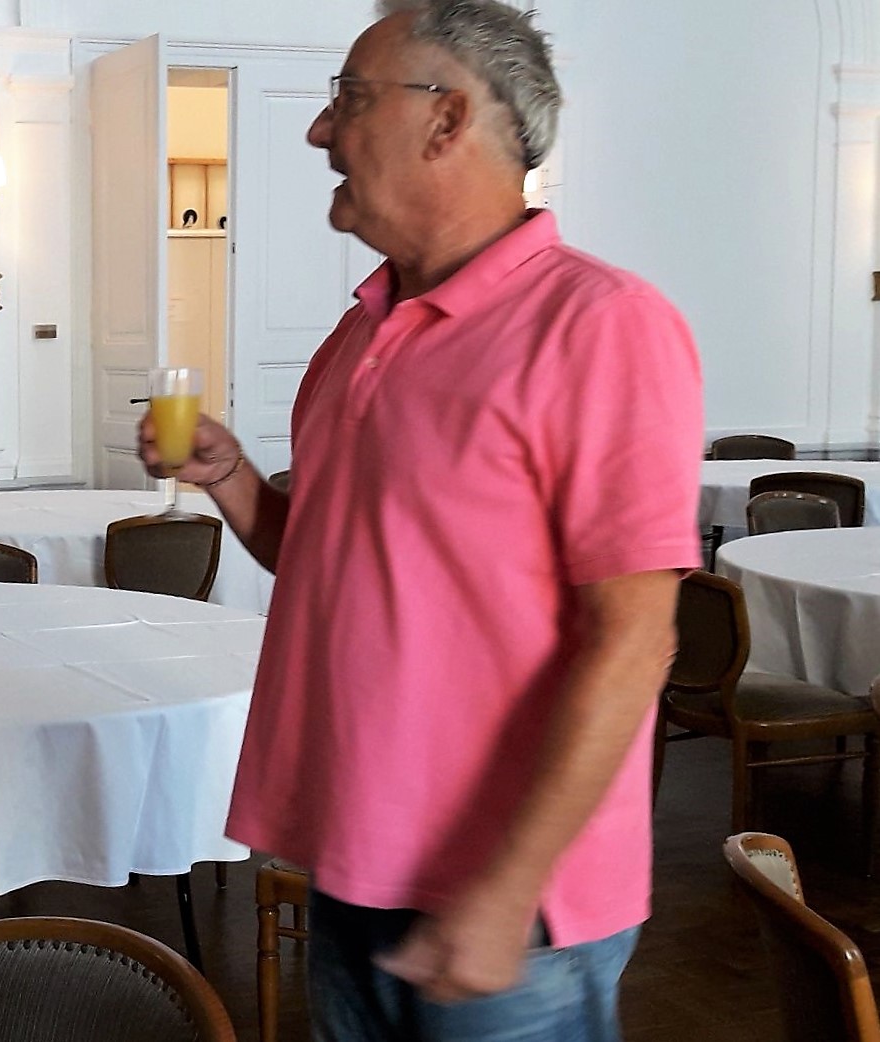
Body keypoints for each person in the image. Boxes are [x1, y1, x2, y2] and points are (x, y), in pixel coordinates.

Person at [140, 3, 701, 1038]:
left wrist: (505, 890)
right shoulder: (357, 332)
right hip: (354, 858)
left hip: (507, 907)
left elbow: (633, 640)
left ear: (446, 119)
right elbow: (327, 561)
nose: (319, 130)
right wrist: (233, 480)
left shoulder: (598, 324)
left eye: (348, 99)